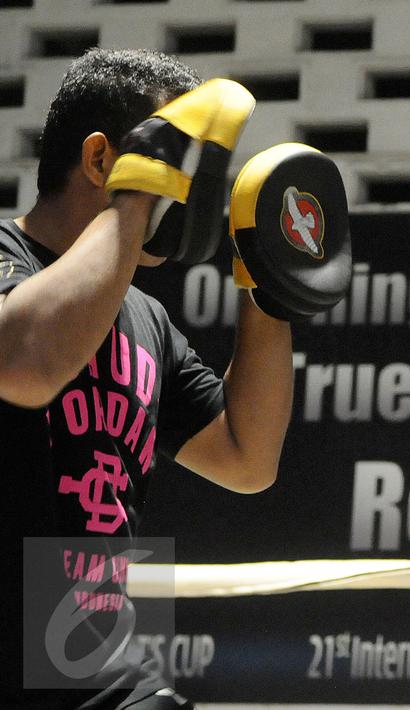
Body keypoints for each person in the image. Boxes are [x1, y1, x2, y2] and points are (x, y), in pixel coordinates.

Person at [2, 49, 293, 709]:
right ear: (102, 160)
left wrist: (266, 285)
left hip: (90, 656)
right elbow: (25, 366)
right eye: (177, 163)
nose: (192, 193)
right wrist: (134, 201)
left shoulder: (145, 318)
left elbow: (248, 457)